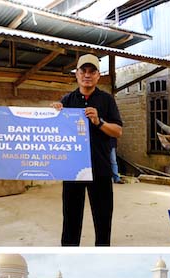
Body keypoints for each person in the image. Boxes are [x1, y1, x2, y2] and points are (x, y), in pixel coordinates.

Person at [52, 53, 123, 246]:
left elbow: (117, 131)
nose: (87, 75)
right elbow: (54, 133)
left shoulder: (106, 100)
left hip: (100, 169)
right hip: (73, 171)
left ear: (98, 76)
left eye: (92, 71)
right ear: (77, 74)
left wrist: (99, 122)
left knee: (102, 221)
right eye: (83, 71)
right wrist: (54, 115)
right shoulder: (67, 101)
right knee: (71, 221)